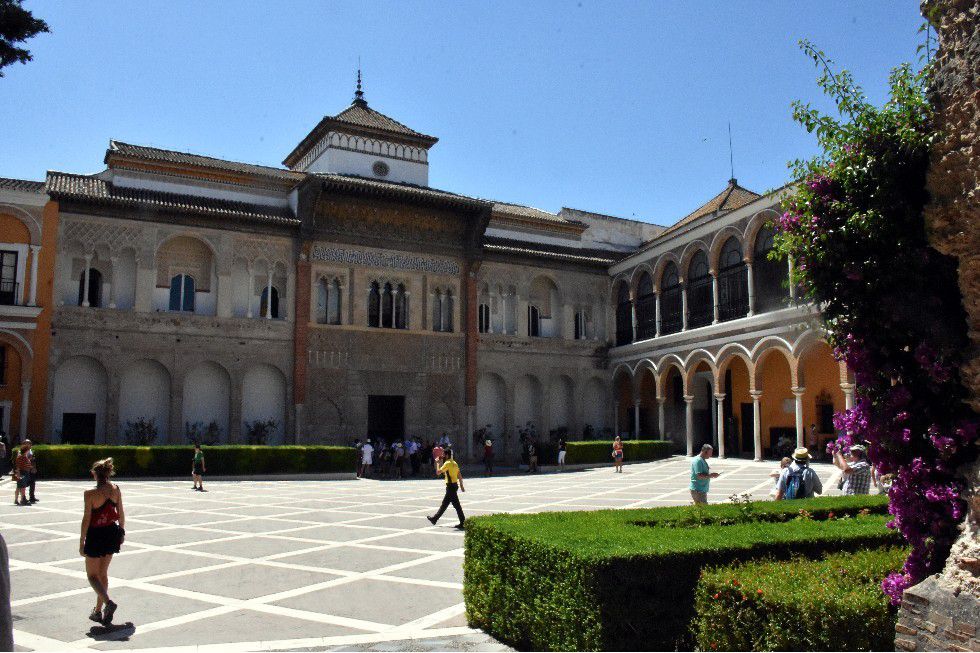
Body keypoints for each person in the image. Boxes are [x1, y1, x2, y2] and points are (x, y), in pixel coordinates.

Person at [80, 458, 125, 626]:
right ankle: (98, 611)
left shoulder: (90, 493)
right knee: (102, 574)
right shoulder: (116, 489)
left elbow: (87, 519)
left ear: (94, 474)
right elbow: (121, 512)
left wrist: (81, 541)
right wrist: (121, 530)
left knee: (92, 576)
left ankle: (108, 603)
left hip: (96, 535)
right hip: (112, 533)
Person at [427, 448, 465, 530]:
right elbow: (459, 475)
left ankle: (463, 522)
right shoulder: (454, 463)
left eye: (444, 454)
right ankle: (435, 519)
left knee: (456, 505)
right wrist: (461, 485)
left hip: (450, 487)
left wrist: (437, 463)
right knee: (445, 504)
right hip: (454, 486)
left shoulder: (447, 463)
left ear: (447, 455)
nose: (443, 456)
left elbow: (438, 472)